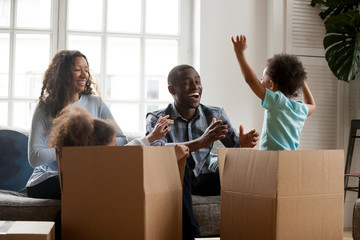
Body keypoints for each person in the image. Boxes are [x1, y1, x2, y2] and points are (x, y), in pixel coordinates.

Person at [25, 50, 176, 240]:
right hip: (47, 178)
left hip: (87, 174)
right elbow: (34, 157)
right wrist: (75, 150)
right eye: (77, 70)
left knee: (100, 184)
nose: (84, 75)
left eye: (86, 70)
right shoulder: (44, 108)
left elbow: (120, 140)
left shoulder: (95, 103)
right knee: (87, 186)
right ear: (62, 74)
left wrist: (92, 145)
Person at [146, 64, 259, 239]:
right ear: (171, 89)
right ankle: (190, 234)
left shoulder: (215, 114)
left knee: (247, 175)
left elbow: (233, 148)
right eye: (187, 83)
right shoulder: (158, 119)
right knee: (180, 169)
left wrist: (242, 144)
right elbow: (156, 152)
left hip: (205, 178)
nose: (195, 86)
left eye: (198, 82)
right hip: (175, 180)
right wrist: (201, 142)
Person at [231, 34, 316, 150]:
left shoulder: (276, 101)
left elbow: (250, 80)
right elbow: (312, 105)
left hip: (272, 158)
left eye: (262, 79)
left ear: (271, 84)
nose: (260, 82)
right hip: (290, 158)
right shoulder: (300, 108)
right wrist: (303, 82)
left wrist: (239, 54)